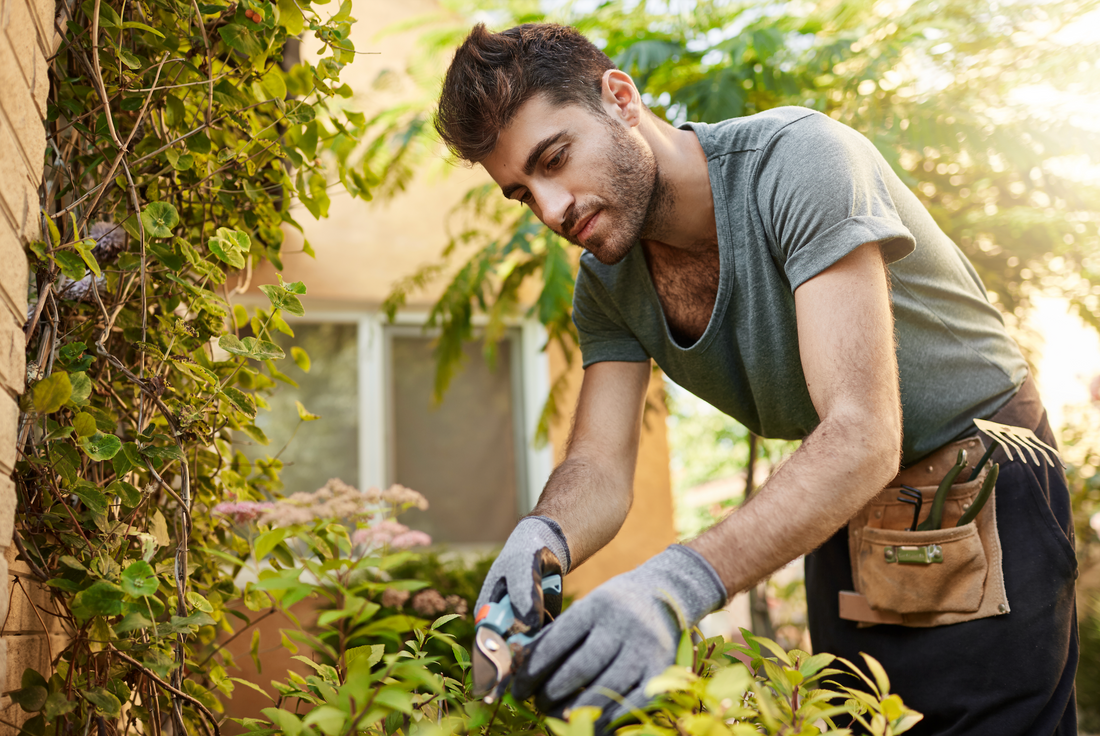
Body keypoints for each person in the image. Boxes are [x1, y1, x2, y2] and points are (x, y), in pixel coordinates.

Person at [435, 22, 1079, 736]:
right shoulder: (607, 283)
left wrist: (671, 583)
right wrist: (543, 536)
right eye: (523, 194)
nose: (553, 210)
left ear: (620, 97)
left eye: (555, 159)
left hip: (979, 475)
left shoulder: (798, 161)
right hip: (839, 496)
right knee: (855, 724)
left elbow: (865, 432)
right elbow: (599, 465)